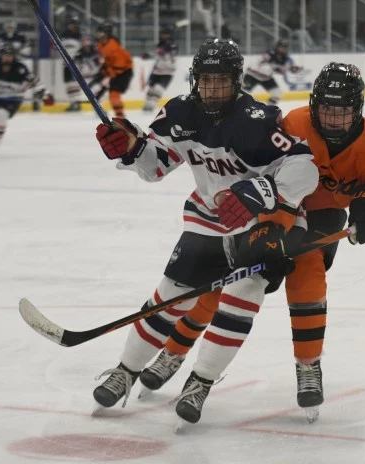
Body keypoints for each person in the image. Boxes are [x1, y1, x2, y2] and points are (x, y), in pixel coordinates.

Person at [137, 63, 365, 423]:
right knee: (227, 280)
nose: (333, 120)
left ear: (358, 109)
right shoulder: (294, 124)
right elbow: (262, 172)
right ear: (313, 106)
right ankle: (173, 352)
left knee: (307, 277)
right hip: (274, 206)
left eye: (342, 112)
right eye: (326, 110)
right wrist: (267, 226)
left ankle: (308, 365)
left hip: (323, 215)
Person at [92, 38, 318, 425]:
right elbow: (157, 165)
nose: (213, 89)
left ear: (237, 82)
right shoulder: (180, 111)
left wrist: (263, 190)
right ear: (196, 80)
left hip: (257, 226)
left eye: (222, 81)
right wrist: (130, 147)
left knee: (238, 304)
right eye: (207, 81)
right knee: (169, 298)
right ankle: (125, 371)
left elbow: (304, 167)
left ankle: (201, 382)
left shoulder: (257, 120)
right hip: (208, 219)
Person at [242, 39, 302, 106]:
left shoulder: (284, 58)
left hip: (266, 78)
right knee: (242, 94)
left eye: (285, 47)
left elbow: (280, 70)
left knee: (277, 94)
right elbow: (263, 65)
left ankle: (269, 109)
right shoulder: (270, 53)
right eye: (281, 47)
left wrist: (291, 69)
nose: (283, 49)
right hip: (252, 75)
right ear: (277, 46)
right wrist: (282, 67)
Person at [95, 22, 133, 118]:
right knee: (112, 94)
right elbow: (106, 60)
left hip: (124, 72)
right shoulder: (101, 44)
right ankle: (119, 115)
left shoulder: (114, 46)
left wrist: (106, 71)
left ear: (107, 33)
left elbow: (119, 67)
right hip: (115, 71)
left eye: (101, 32)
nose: (98, 35)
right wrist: (104, 68)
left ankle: (120, 116)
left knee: (114, 94)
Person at [141, 26, 178, 113]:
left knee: (158, 89)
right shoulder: (160, 44)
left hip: (168, 72)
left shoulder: (173, 45)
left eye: (165, 34)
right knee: (151, 89)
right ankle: (147, 105)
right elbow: (157, 53)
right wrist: (148, 55)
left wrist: (165, 48)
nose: (163, 36)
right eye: (162, 34)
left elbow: (168, 52)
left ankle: (152, 105)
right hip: (157, 71)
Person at [59, 17, 83, 112]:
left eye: (74, 24)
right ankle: (72, 102)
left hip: (76, 63)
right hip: (66, 63)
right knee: (68, 83)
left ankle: (76, 102)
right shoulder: (63, 35)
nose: (72, 26)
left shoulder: (79, 35)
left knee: (75, 83)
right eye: (71, 24)